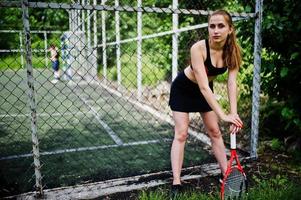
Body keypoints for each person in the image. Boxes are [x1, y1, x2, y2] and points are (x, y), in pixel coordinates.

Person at [168, 9, 244, 197]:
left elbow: (231, 82)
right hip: (184, 89)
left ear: (230, 29)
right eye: (212, 26)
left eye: (221, 26)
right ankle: (176, 182)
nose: (216, 30)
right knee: (181, 133)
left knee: (215, 131)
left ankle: (225, 174)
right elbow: (203, 86)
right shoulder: (198, 48)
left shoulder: (233, 50)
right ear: (208, 28)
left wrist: (233, 115)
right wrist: (223, 114)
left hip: (205, 90)